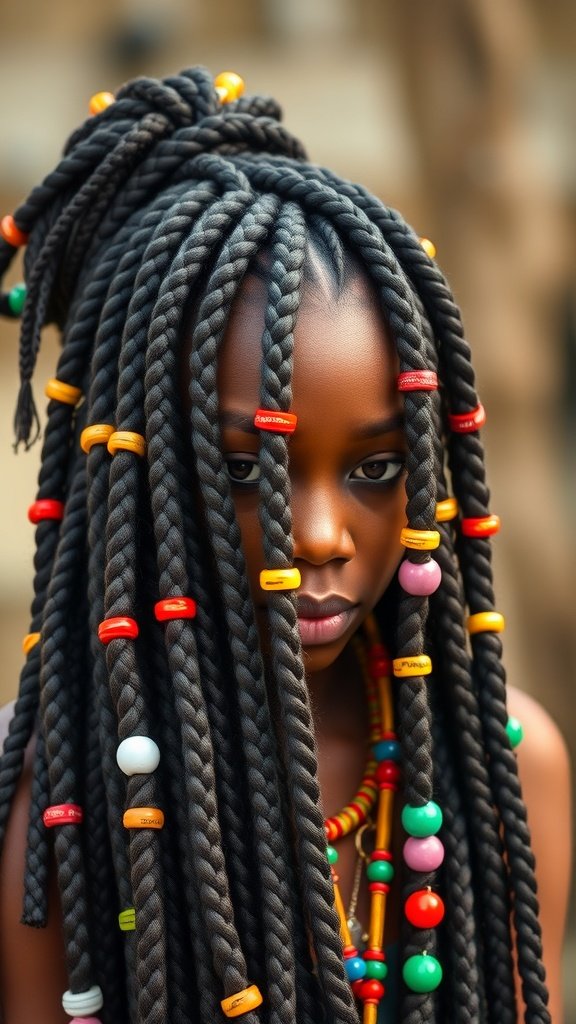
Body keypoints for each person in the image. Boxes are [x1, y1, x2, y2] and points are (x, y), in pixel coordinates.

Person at [0, 66, 570, 1024]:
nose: (315, 536)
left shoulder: (512, 768)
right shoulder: (55, 821)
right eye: (239, 471)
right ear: (137, 477)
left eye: (376, 470)